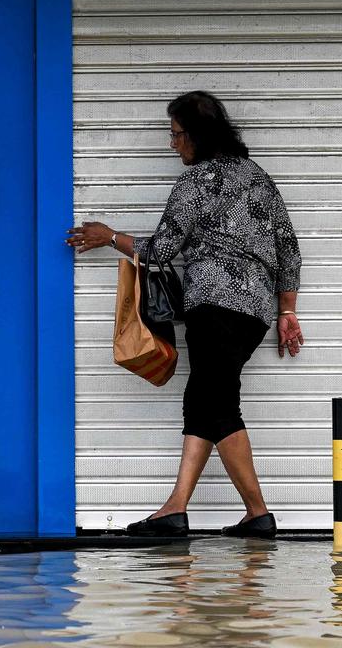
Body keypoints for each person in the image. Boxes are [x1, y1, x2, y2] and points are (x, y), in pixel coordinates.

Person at [66, 90, 303, 539]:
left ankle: (257, 512)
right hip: (253, 314)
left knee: (217, 406)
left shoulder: (196, 183)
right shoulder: (259, 178)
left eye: (176, 135)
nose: (172, 144)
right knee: (203, 402)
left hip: (213, 307)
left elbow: (162, 249)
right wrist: (286, 310)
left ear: (197, 135)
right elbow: (289, 250)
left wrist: (109, 236)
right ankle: (175, 509)